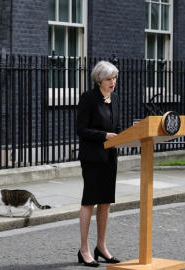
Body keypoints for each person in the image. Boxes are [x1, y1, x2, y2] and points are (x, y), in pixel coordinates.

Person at [76, 61, 122, 267]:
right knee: (90, 200)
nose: (112, 82)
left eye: (114, 78)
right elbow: (81, 129)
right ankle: (84, 249)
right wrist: (104, 135)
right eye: (108, 79)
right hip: (92, 157)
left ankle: (101, 247)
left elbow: (117, 127)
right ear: (99, 80)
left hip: (110, 157)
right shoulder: (88, 98)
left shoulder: (116, 99)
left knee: (105, 201)